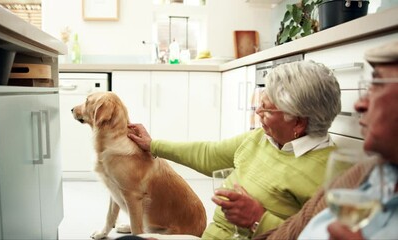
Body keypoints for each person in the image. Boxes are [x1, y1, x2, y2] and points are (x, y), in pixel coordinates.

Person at [127, 60, 341, 239]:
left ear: (298, 123)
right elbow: (209, 154)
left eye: (267, 108)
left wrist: (258, 219)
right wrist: (152, 145)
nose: (258, 112)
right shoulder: (262, 139)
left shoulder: (331, 174)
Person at [254, 41, 398, 240]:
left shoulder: (328, 169)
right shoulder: (364, 174)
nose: (359, 104)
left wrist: (256, 220)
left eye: (377, 86)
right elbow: (289, 231)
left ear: (298, 123)